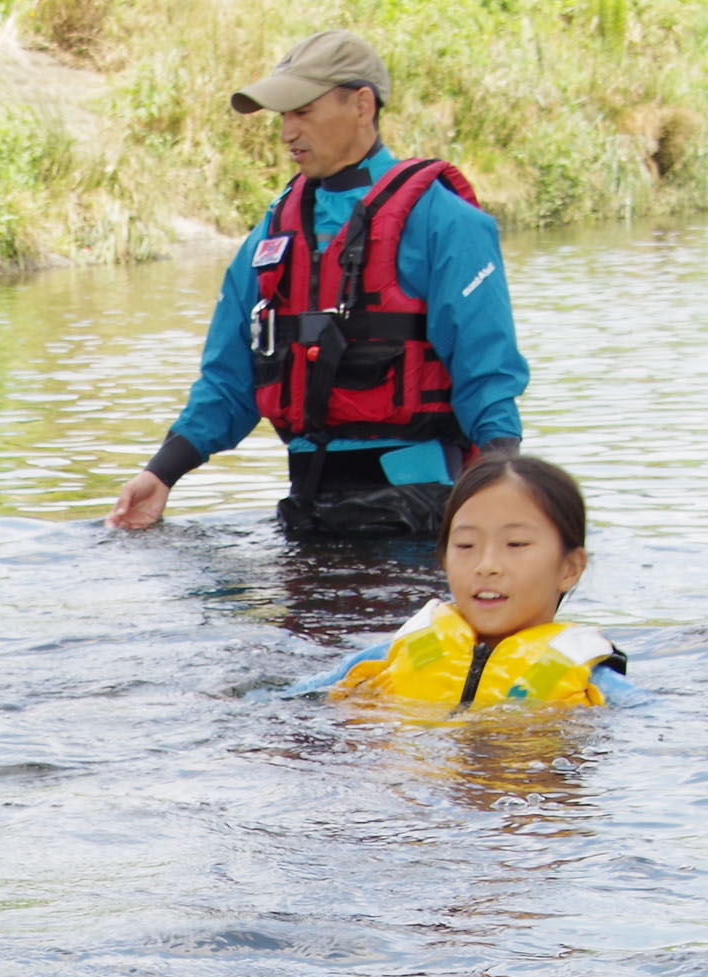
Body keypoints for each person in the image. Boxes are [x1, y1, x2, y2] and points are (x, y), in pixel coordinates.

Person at [106, 31, 526, 542]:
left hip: (423, 517)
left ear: (362, 105)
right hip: (307, 515)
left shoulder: (447, 223)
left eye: (302, 110)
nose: (287, 132)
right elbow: (228, 382)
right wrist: (160, 473)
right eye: (282, 117)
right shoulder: (268, 237)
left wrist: (504, 492)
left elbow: (488, 374)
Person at [289, 457, 635, 707]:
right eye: (466, 546)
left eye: (515, 545)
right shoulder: (387, 658)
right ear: (443, 561)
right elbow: (284, 699)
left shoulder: (594, 683)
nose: (486, 565)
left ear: (570, 568)